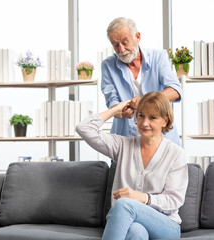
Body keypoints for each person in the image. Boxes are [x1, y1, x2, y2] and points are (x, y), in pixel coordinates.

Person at [76, 91, 188, 240]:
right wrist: (116, 109)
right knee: (136, 232)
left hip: (166, 225)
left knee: (124, 204)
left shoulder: (175, 154)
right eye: (141, 115)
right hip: (131, 223)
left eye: (152, 117)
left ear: (165, 121)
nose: (144, 123)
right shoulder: (122, 145)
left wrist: (142, 198)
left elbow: (174, 200)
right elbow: (84, 128)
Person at [102, 17, 183, 146]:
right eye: (116, 45)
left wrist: (146, 101)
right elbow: (112, 101)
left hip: (161, 138)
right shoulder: (108, 65)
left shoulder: (158, 57)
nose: (121, 49)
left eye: (125, 42)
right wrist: (120, 111)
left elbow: (176, 90)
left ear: (137, 37)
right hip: (126, 140)